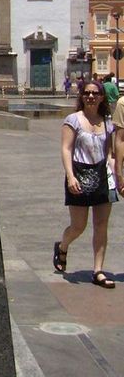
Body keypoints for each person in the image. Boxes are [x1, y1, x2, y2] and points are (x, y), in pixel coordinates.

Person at [53, 79, 116, 288]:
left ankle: (98, 271)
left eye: (95, 93)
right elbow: (66, 149)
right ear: (82, 96)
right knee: (79, 226)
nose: (91, 97)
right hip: (79, 174)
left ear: (101, 97)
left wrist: (118, 177)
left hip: (101, 177)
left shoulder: (107, 122)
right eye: (87, 93)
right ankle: (62, 246)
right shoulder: (73, 120)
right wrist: (70, 176)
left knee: (101, 225)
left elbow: (110, 153)